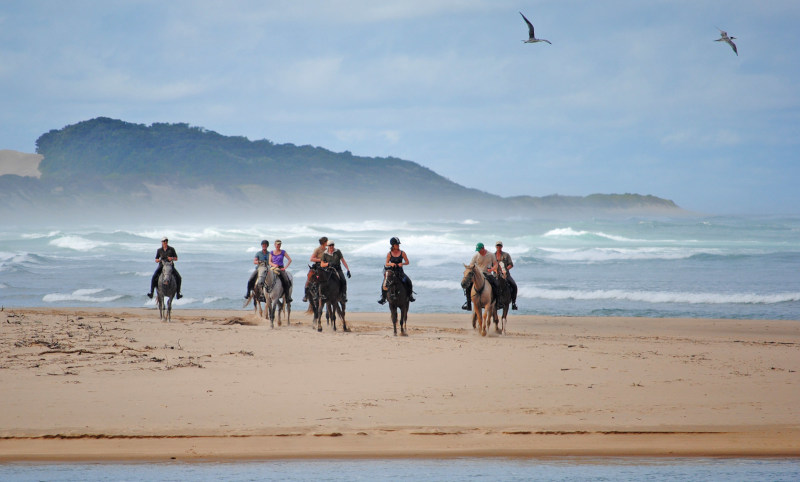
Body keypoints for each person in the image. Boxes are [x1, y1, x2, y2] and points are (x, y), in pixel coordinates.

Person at [461, 242, 498, 311]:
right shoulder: (476, 256)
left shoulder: (491, 255)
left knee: (496, 285)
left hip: (488, 274)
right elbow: (471, 265)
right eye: (477, 250)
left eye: (479, 250)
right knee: (468, 287)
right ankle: (468, 304)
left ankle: (497, 302)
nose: (478, 251)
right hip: (478, 275)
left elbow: (496, 264)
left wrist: (492, 269)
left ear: (483, 248)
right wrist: (468, 267)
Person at [378, 236, 415, 304]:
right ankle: (383, 298)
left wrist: (402, 263)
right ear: (393, 245)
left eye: (398, 244)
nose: (398, 245)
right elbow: (386, 263)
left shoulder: (402, 253)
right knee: (384, 283)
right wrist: (391, 264)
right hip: (391, 272)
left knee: (408, 281)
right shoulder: (389, 254)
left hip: (400, 272)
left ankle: (410, 296)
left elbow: (407, 262)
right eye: (396, 244)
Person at [303, 236, 328, 302]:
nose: (327, 243)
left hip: (326, 266)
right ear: (324, 242)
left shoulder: (327, 250)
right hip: (318, 266)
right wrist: (321, 260)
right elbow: (311, 259)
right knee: (310, 277)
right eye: (326, 241)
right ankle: (306, 295)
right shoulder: (317, 249)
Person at [494, 241, 518, 310]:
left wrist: (505, 269)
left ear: (502, 246)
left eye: (500, 246)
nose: (499, 247)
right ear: (495, 246)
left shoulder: (506, 255)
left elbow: (511, 264)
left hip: (506, 275)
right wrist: (495, 270)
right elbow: (490, 266)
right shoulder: (492, 256)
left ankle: (513, 303)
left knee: (514, 285)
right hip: (496, 275)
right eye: (497, 246)